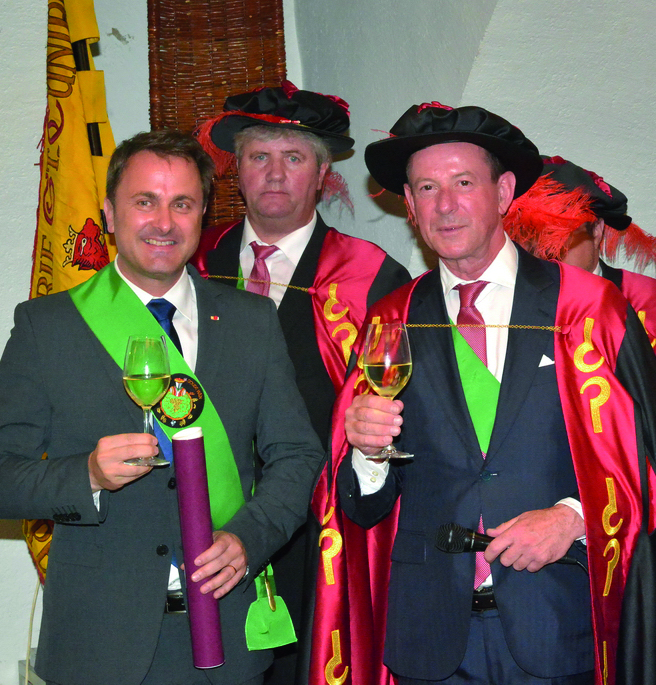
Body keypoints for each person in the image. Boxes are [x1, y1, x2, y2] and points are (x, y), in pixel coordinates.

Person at [311, 103, 656, 685]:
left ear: (503, 193)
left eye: (463, 183)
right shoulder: (390, 319)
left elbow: (651, 467)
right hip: (430, 636)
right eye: (427, 187)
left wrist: (571, 518)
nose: (445, 204)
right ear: (410, 206)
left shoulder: (586, 309)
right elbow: (360, 506)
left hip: (558, 624)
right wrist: (368, 458)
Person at [0, 130, 326, 685]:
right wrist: (84, 474)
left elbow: (299, 456)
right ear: (109, 213)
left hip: (227, 638)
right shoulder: (48, 328)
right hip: (98, 646)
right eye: (145, 202)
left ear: (202, 214)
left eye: (182, 203)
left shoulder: (252, 323)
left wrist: (249, 538)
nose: (164, 222)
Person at [193, 82, 410, 684]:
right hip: (207, 521)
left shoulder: (371, 277)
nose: (275, 174)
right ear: (236, 169)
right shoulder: (193, 262)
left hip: (320, 526)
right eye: (259, 156)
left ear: (322, 174)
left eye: (294, 158)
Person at [503, 155, 656, 571]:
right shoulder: (496, 315)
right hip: (525, 548)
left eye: (558, 234)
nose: (541, 251)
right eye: (529, 236)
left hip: (649, 551)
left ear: (597, 228)